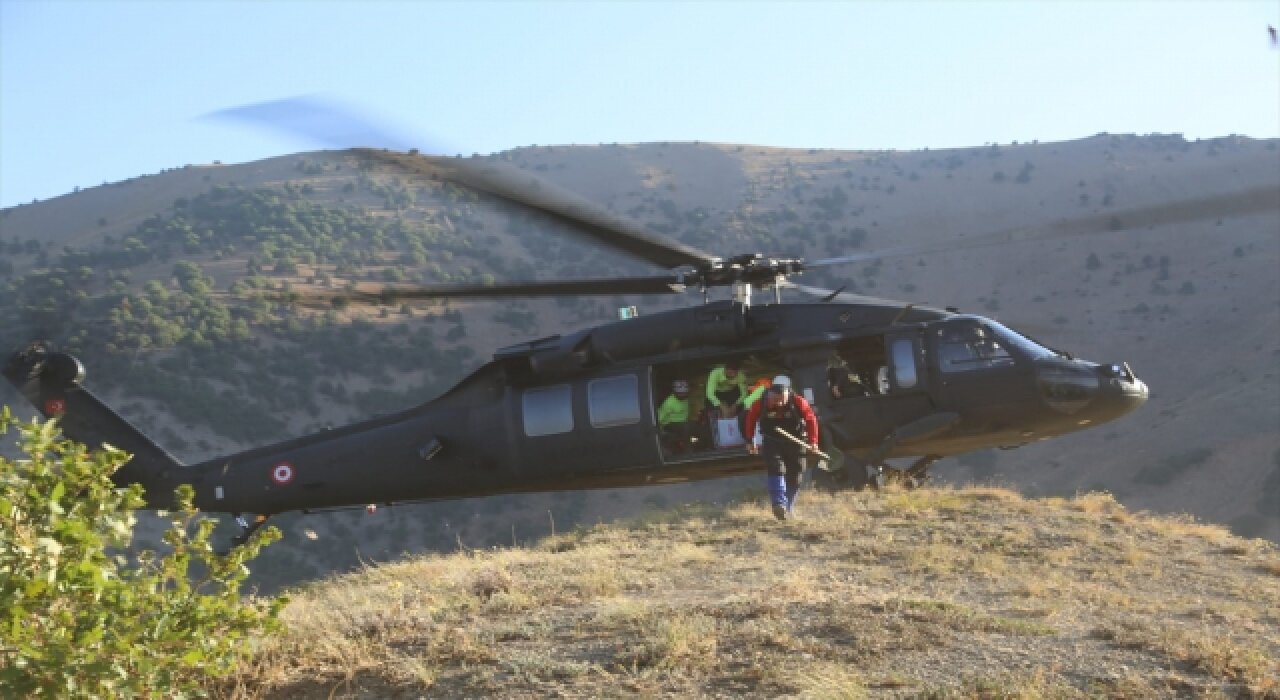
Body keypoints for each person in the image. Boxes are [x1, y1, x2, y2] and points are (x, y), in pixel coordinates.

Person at [744, 375, 819, 520]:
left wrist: (813, 441)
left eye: (781, 401)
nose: (778, 404)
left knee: (797, 473)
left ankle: (787, 508)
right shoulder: (760, 403)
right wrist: (749, 440)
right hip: (772, 440)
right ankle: (779, 504)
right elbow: (750, 420)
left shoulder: (798, 402)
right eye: (775, 401)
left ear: (787, 396)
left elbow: (811, 420)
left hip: (796, 441)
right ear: (770, 397)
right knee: (776, 467)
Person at [658, 379, 696, 453]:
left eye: (685, 393)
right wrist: (661, 430)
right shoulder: (669, 403)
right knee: (686, 427)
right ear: (675, 392)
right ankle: (688, 450)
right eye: (680, 393)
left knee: (694, 425)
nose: (683, 395)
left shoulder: (686, 399)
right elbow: (659, 418)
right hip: (669, 424)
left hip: (683, 422)